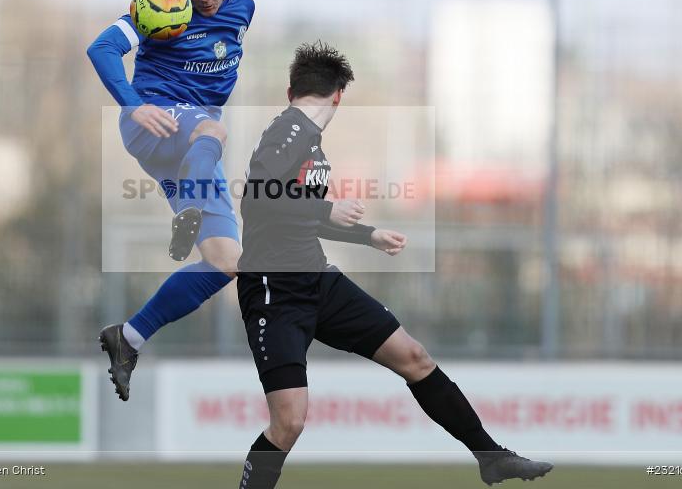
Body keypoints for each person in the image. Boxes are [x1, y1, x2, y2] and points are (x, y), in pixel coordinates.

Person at [235, 42, 554, 488]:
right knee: (288, 422)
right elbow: (258, 198)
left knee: (414, 357)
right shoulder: (289, 130)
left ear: (291, 89)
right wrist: (326, 211)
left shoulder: (309, 141)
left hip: (318, 279)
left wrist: (367, 235)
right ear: (340, 96)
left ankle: (491, 457)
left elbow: (293, 214)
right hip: (276, 290)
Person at [88, 0, 255, 400]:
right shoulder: (160, 6)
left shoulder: (244, 7)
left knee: (226, 262)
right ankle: (187, 214)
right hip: (156, 122)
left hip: (188, 145)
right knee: (215, 133)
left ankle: (129, 338)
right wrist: (133, 104)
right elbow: (101, 49)